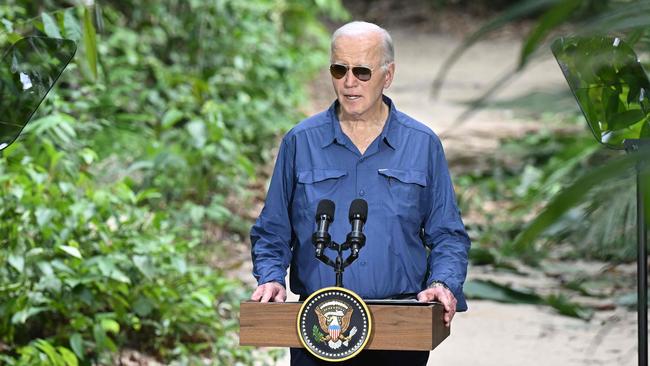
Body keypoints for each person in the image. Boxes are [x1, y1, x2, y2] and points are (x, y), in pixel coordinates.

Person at [250, 21, 470, 366]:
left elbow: (448, 235)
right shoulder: (300, 142)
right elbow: (272, 231)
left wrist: (443, 282)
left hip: (399, 323)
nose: (349, 82)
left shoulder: (421, 144)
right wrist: (272, 277)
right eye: (340, 69)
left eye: (362, 71)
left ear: (388, 74)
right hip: (319, 323)